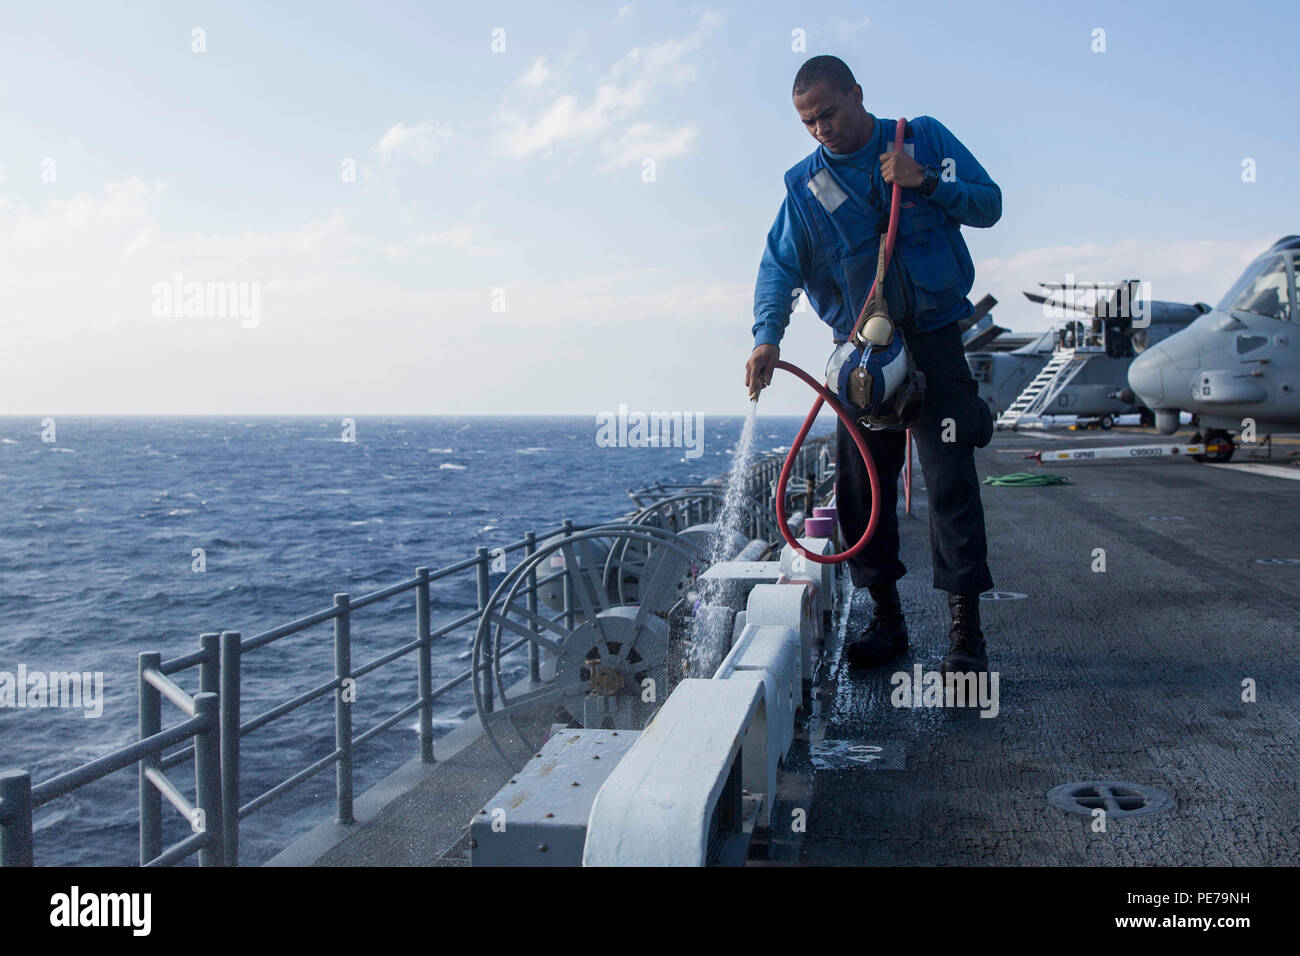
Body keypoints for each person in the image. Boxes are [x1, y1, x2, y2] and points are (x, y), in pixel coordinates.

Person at [744, 55, 1001, 676]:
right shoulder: (805, 189)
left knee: (950, 480)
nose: (820, 130)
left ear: (857, 95)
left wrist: (926, 183)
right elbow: (778, 267)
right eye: (808, 122)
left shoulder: (924, 139)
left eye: (828, 113)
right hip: (862, 355)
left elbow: (988, 205)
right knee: (862, 487)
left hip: (935, 340)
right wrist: (766, 337)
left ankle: (965, 632)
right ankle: (888, 619)